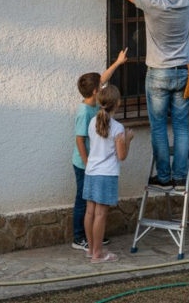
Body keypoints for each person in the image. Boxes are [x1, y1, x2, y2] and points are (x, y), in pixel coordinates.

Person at [110, 0, 189, 188]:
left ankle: (164, 177)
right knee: (180, 126)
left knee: (159, 127)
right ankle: (180, 177)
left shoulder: (152, 1)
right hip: (182, 72)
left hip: (158, 73)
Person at [71, 49, 128, 252]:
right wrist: (87, 165)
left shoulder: (97, 111)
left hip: (93, 166)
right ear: (96, 92)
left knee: (91, 208)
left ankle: (94, 240)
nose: (102, 85)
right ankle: (80, 238)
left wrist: (118, 62)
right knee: (85, 203)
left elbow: (103, 78)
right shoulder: (86, 113)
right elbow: (79, 141)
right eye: (100, 86)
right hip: (85, 164)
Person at [83, 85, 134, 264]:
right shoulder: (117, 127)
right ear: (117, 103)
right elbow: (122, 156)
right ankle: (98, 254)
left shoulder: (92, 122)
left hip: (91, 173)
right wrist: (127, 139)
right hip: (106, 175)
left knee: (90, 212)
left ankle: (91, 249)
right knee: (100, 215)